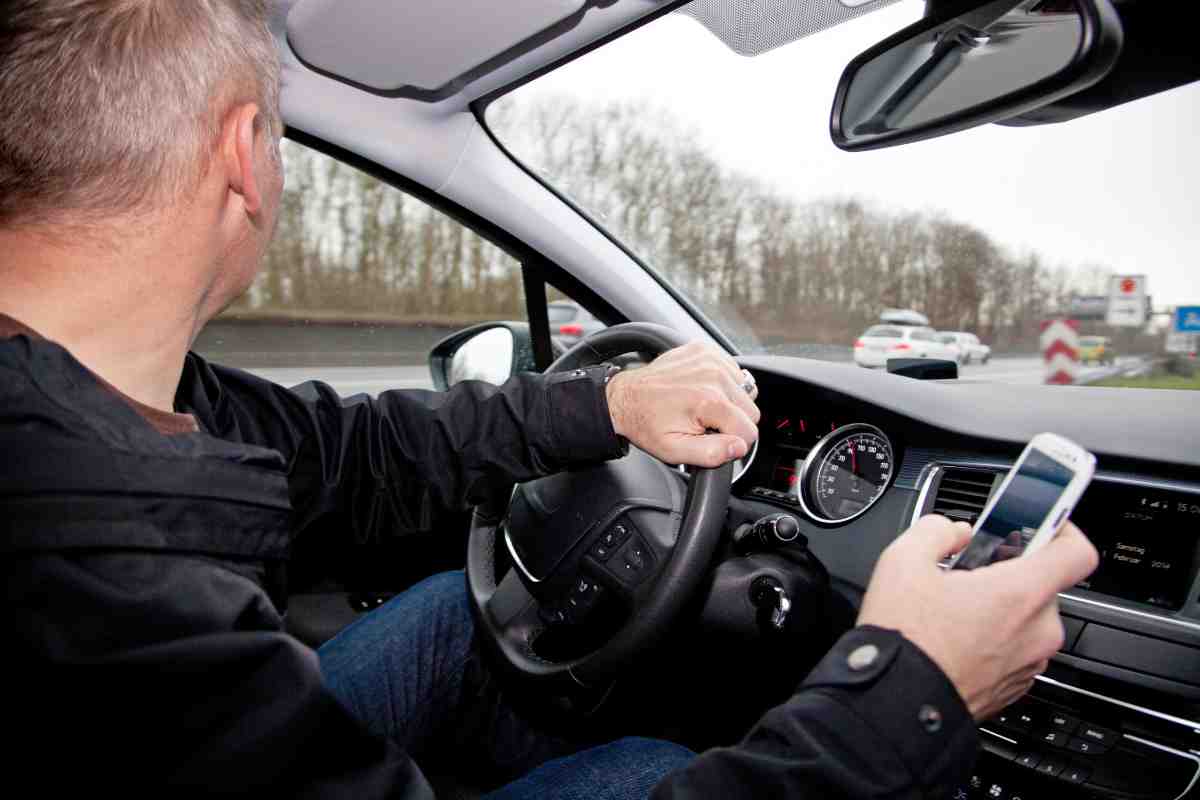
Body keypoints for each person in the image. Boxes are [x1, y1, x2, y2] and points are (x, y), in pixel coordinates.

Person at [0, 1, 1099, 798]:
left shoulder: (89, 397)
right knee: (651, 767)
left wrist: (609, 407)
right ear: (246, 155)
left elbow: (356, 454)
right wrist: (903, 699)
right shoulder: (101, 575)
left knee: (448, 615)